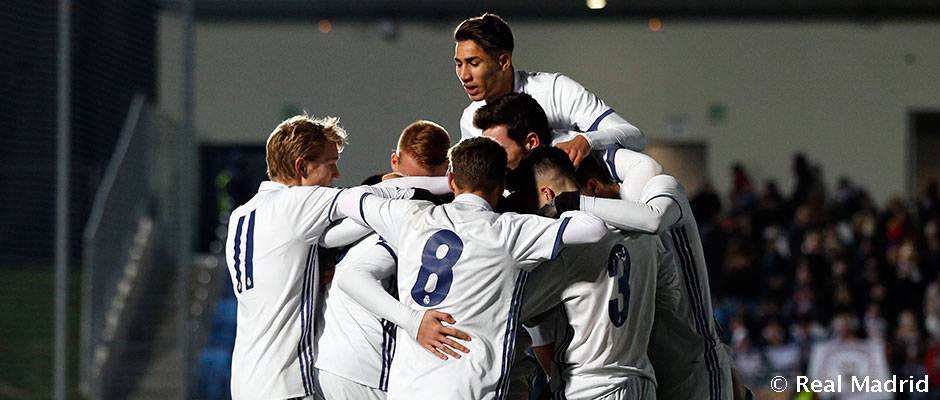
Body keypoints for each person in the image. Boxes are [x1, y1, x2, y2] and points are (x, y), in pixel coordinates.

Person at [333, 137, 609, 400]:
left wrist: (412, 321)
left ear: (451, 180)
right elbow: (593, 229)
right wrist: (564, 203)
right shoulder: (509, 230)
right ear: (501, 184)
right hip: (470, 387)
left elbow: (348, 199)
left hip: (407, 387)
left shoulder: (410, 215)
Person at [225, 115, 441, 400]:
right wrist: (453, 186)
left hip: (245, 381)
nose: (337, 174)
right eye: (330, 163)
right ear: (301, 167)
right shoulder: (296, 203)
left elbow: (313, 245)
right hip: (285, 385)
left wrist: (316, 263)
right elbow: (370, 198)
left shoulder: (242, 215)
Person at [548, 166, 738, 400]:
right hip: (652, 375)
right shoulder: (610, 236)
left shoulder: (662, 188)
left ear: (593, 187)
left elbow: (653, 219)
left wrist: (575, 203)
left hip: (696, 368)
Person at [517, 147, 680, 400]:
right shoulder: (648, 236)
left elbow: (515, 307)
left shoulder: (568, 247)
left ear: (547, 194)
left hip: (589, 387)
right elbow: (670, 298)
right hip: (641, 382)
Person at [315, 120, 452, 400]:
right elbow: (353, 276)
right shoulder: (411, 218)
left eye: (425, 185)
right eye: (409, 183)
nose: (416, 193)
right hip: (367, 367)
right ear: (394, 163)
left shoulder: (357, 206)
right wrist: (414, 322)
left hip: (330, 360)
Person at [454, 13, 645, 167]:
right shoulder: (469, 120)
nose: (464, 75)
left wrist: (586, 141)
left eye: (473, 63)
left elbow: (634, 136)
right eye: (459, 64)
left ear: (503, 61)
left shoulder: (555, 89)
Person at [473, 92, 660, 201]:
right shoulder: (506, 175)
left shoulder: (577, 152)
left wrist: (588, 141)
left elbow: (647, 165)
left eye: (499, 150)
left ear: (531, 143)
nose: (491, 160)